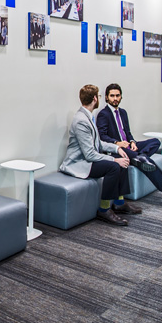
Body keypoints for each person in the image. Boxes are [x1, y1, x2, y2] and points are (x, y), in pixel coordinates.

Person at [96, 83, 162, 208]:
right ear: (106, 97)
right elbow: (102, 136)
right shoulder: (103, 114)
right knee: (147, 162)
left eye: (117, 95)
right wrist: (117, 143)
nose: (115, 98)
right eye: (112, 96)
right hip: (118, 150)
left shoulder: (123, 112)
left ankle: (138, 157)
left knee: (155, 141)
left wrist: (132, 142)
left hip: (128, 146)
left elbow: (127, 132)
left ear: (121, 97)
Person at [59, 84, 139, 226]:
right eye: (100, 96)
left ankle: (120, 202)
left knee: (123, 159)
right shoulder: (81, 120)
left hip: (88, 159)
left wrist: (116, 149)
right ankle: (104, 209)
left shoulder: (88, 116)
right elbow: (90, 154)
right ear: (95, 99)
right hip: (79, 163)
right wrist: (114, 159)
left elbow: (98, 144)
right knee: (114, 166)